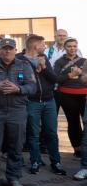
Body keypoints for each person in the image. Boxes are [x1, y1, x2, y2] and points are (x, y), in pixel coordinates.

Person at [0, 38, 36, 186]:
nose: (7, 51)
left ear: (15, 50)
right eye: (4, 48)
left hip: (17, 110)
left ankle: (14, 177)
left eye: (10, 48)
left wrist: (18, 89)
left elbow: (32, 87)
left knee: (16, 145)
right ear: (0, 50)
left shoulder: (24, 65)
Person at [19, 35, 65, 175]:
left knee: (51, 132)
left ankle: (56, 162)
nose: (45, 46)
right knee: (33, 134)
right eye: (43, 44)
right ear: (35, 46)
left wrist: (44, 67)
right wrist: (33, 71)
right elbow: (20, 80)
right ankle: (35, 161)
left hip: (49, 100)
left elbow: (54, 79)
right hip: (32, 102)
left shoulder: (44, 57)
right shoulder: (20, 60)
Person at [54, 38, 86, 158]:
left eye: (74, 46)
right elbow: (56, 79)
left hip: (84, 95)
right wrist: (70, 75)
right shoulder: (59, 62)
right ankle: (77, 150)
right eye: (69, 46)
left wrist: (82, 74)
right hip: (67, 96)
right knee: (73, 123)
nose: (72, 48)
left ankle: (85, 148)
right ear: (65, 48)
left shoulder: (84, 61)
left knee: (86, 122)